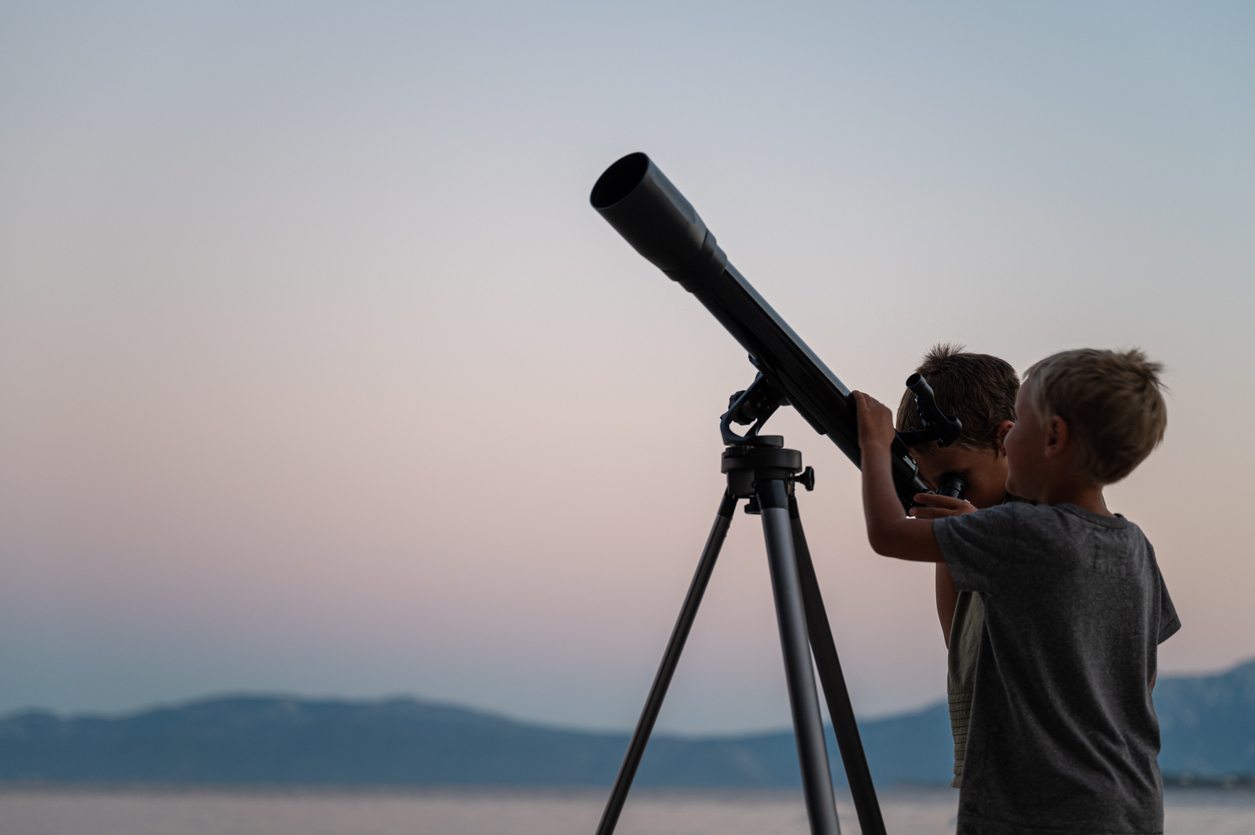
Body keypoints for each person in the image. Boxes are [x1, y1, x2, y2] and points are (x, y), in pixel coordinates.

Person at [853, 348, 1179, 835]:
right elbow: (1135, 681)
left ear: (1053, 437)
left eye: (1018, 422)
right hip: (1129, 804)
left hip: (1031, 810)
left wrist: (875, 447)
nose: (1008, 433)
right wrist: (966, 540)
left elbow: (886, 532)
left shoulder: (1020, 535)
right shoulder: (1135, 547)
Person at [893, 345, 1020, 788]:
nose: (948, 494)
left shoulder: (1042, 527)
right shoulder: (980, 531)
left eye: (956, 478)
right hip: (989, 776)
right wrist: (953, 541)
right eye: (931, 485)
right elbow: (958, 646)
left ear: (1005, 440)